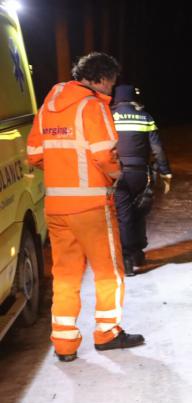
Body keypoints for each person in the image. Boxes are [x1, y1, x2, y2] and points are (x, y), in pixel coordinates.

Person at [27, 52, 145, 362]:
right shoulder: (92, 106)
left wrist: (63, 171)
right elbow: (105, 155)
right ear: (102, 78)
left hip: (56, 208)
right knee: (110, 272)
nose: (111, 89)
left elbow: (35, 155)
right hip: (92, 206)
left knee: (65, 275)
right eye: (111, 82)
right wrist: (118, 176)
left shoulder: (48, 107)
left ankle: (65, 345)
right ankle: (107, 333)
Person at [111, 84, 172, 275]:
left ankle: (127, 259)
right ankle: (138, 252)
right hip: (140, 173)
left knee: (124, 216)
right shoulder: (145, 117)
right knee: (139, 212)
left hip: (117, 174)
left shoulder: (108, 117)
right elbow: (157, 148)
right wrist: (165, 172)